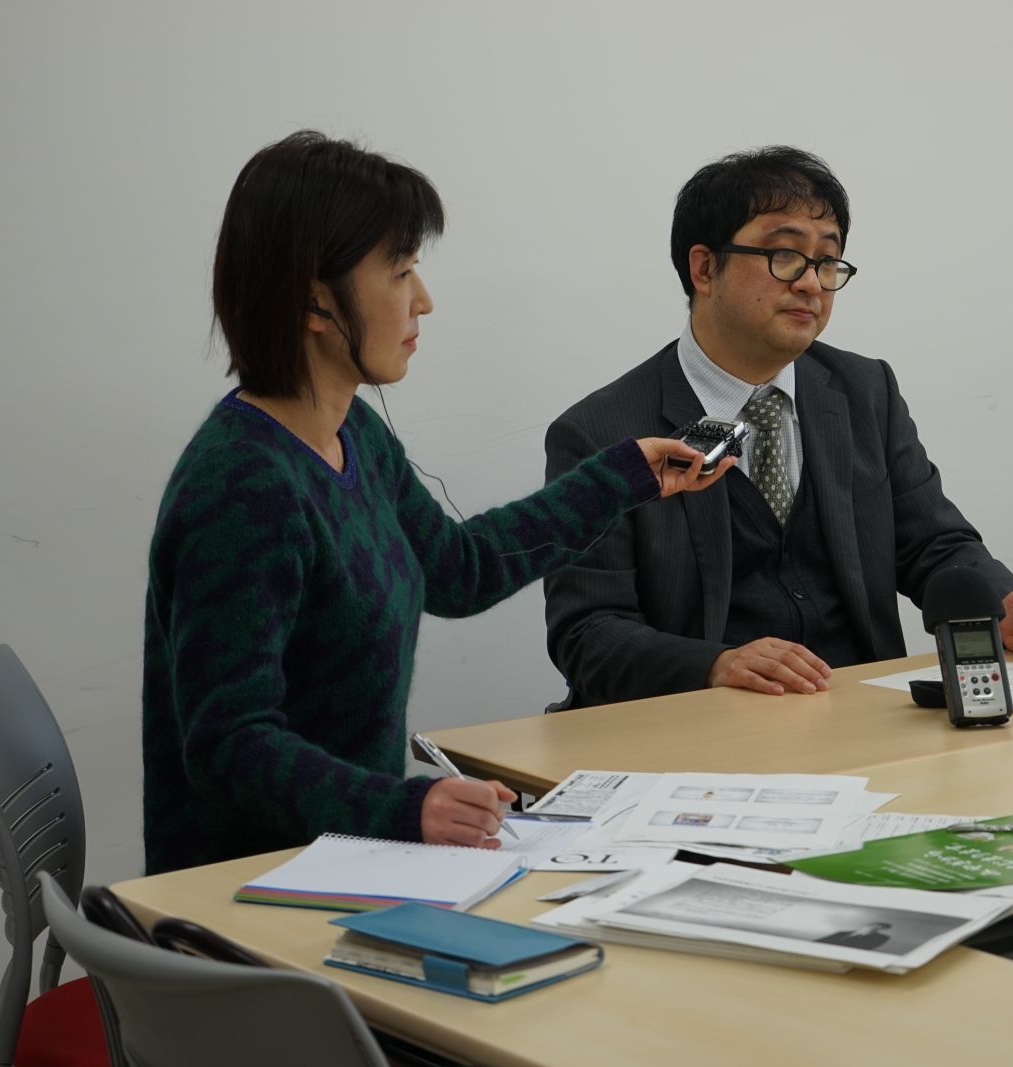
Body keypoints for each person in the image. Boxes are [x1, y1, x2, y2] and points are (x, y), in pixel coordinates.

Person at [142, 132, 729, 875]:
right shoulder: (241, 489)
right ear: (314, 299)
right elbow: (229, 744)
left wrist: (623, 477)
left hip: (343, 860)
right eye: (399, 272)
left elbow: (458, 568)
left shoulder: (352, 433)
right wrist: (403, 809)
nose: (423, 299)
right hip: (245, 889)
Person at [543, 146, 1013, 708]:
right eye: (786, 256)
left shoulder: (865, 391)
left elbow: (935, 544)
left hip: (858, 714)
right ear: (704, 268)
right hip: (696, 728)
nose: (812, 284)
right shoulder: (600, 432)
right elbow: (587, 633)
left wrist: (999, 606)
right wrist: (715, 664)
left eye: (827, 262)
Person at [816, 922, 893, 951]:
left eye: (879, 928)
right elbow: (821, 941)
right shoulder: (841, 933)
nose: (873, 928)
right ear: (864, 925)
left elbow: (865, 948)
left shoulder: (881, 938)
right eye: (872, 926)